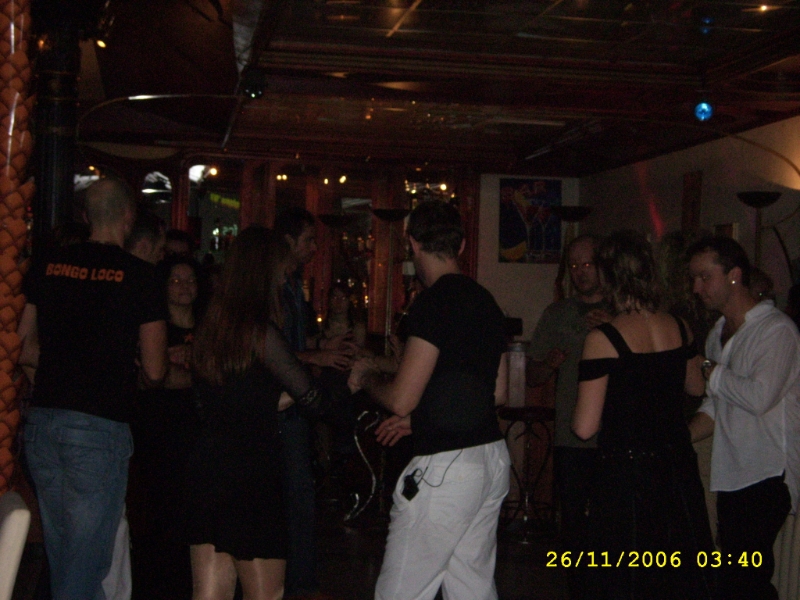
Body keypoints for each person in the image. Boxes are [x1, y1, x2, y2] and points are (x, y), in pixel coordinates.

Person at [349, 200, 510, 600]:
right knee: (471, 589)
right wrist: (425, 419)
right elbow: (495, 392)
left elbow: (401, 398)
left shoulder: (433, 302)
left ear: (413, 244)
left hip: (447, 469)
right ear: (461, 245)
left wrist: (367, 378)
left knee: (400, 592)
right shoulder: (487, 301)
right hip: (490, 458)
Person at [18, 177, 168, 599]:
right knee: (86, 562)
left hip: (44, 420)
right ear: (128, 217)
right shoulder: (141, 276)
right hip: (98, 426)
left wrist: (63, 367)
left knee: (66, 556)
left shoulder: (49, 265)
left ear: (86, 216)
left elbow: (22, 345)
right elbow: (156, 369)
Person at [183, 226, 329, 600]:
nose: (284, 279)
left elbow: (226, 401)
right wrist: (341, 381)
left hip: (209, 467)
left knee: (209, 594)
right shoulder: (260, 332)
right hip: (251, 473)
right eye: (280, 271)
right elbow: (311, 398)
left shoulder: (212, 327)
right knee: (265, 593)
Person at [572, 230, 714, 600]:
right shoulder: (679, 326)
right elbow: (696, 387)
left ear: (608, 276)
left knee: (627, 580)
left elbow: (584, 427)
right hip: (676, 467)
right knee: (678, 576)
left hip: (628, 474)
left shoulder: (603, 338)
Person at [687, 236, 800, 600]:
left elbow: (758, 397)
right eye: (694, 278)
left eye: (705, 277)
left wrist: (710, 371)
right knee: (735, 579)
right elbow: (717, 406)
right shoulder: (718, 333)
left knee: (745, 580)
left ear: (734, 275)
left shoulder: (776, 330)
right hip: (733, 472)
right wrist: (678, 437)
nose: (697, 288)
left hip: (767, 472)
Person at [525, 233, 610, 599]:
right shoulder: (556, 314)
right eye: (574, 266)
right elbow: (533, 375)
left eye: (587, 264)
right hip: (571, 435)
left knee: (611, 522)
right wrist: (549, 363)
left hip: (616, 435)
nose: (580, 272)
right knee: (573, 522)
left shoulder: (623, 311)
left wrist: (612, 326)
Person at [274, 206, 353, 600]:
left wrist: (320, 346)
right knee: (296, 494)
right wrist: (316, 355)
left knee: (298, 493)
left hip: (294, 401)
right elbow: (272, 351)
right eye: (308, 240)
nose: (314, 248)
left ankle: (292, 581)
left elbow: (291, 345)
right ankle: (299, 585)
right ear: (288, 241)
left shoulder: (292, 285)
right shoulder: (275, 287)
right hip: (280, 402)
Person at [132, 255, 204, 599]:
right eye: (175, 281)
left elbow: (220, 374)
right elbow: (154, 377)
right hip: (160, 433)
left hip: (200, 434)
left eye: (190, 280)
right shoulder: (153, 326)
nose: (184, 287)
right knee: (160, 514)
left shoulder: (209, 328)